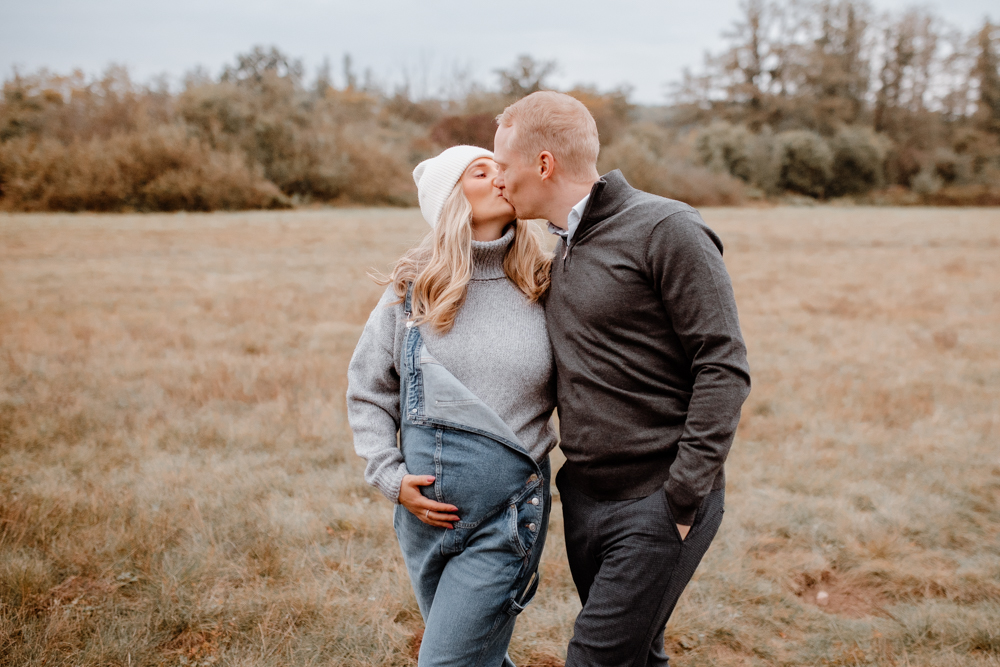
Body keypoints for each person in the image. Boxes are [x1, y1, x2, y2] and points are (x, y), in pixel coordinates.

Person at [492, 91, 752, 667]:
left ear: (543, 164)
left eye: (505, 167)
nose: (500, 183)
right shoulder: (560, 247)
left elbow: (723, 365)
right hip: (585, 496)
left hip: (658, 500)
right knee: (637, 656)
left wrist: (683, 496)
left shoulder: (667, 228)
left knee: (595, 658)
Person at [346, 145, 557, 667]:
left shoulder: (545, 284)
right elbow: (369, 390)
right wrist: (390, 477)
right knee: (474, 655)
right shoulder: (412, 291)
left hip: (508, 518)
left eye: (500, 167)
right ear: (451, 201)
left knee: (446, 662)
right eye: (481, 172)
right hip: (425, 526)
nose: (500, 177)